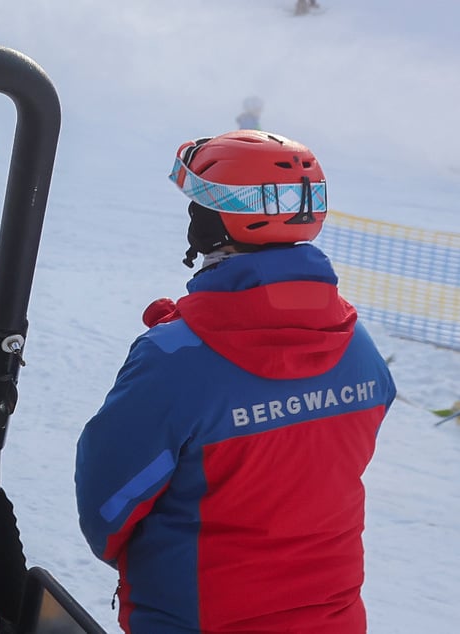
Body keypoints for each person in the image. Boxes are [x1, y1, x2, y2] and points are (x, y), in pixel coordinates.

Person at [75, 130, 396, 633]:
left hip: (201, 616)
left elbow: (109, 504)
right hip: (333, 617)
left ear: (209, 224)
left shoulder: (175, 358)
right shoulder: (356, 345)